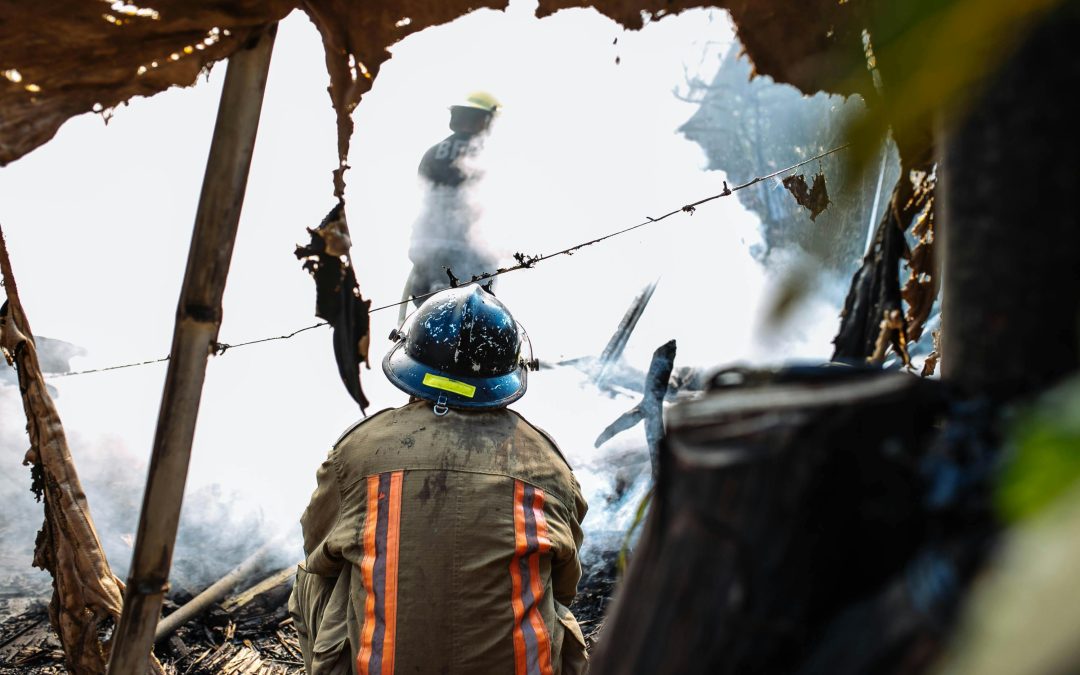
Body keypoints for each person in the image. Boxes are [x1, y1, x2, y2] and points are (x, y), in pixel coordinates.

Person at [289, 285, 590, 675]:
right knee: (549, 596)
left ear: (411, 360)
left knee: (314, 577)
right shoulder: (549, 465)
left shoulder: (359, 451)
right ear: (509, 371)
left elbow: (316, 543)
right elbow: (567, 583)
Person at [402, 92, 501, 321]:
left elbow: (425, 200)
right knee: (471, 322)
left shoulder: (432, 153)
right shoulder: (485, 155)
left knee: (429, 323)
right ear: (483, 119)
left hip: (427, 251)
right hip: (468, 256)